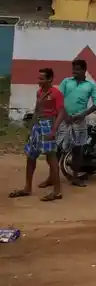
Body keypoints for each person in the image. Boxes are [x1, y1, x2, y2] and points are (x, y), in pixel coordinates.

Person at [9, 67, 64, 202]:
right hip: (38, 125)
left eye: (42, 78)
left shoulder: (56, 93)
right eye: (38, 78)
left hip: (49, 125)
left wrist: (53, 131)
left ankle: (57, 191)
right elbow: (37, 110)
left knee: (51, 157)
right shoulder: (39, 92)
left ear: (50, 79)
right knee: (31, 156)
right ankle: (27, 188)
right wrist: (31, 129)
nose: (39, 81)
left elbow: (61, 113)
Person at [58, 59, 96, 187]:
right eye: (73, 69)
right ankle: (52, 177)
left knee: (78, 149)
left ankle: (75, 177)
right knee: (57, 148)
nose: (74, 72)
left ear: (84, 70)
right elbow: (59, 99)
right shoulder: (66, 82)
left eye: (77, 69)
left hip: (79, 121)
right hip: (63, 120)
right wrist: (64, 115)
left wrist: (83, 114)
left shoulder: (91, 86)